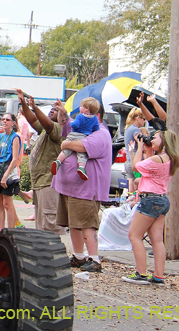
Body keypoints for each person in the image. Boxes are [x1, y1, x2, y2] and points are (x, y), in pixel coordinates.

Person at [51, 101, 111, 273]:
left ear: (96, 115)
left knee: (86, 224)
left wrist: (65, 145)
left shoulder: (101, 133)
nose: (83, 114)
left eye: (86, 111)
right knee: (73, 224)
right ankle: (78, 256)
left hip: (86, 189)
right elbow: (69, 128)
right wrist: (63, 113)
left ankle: (94, 259)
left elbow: (82, 146)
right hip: (69, 187)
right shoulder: (84, 129)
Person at [122, 129, 179, 285]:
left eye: (155, 138)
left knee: (134, 235)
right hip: (162, 200)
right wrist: (147, 150)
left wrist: (139, 146)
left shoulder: (158, 158)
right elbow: (145, 171)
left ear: (164, 141)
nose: (152, 139)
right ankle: (158, 276)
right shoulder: (167, 158)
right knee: (157, 240)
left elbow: (135, 167)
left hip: (150, 200)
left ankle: (141, 273)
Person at [18, 89, 69, 234]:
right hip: (40, 183)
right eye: (51, 109)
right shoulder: (46, 130)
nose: (52, 111)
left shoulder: (59, 130)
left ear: (63, 116)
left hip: (49, 183)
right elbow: (33, 120)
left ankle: (54, 253)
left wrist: (35, 107)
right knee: (41, 225)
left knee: (50, 225)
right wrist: (24, 103)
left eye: (56, 110)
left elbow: (46, 124)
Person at [52, 97, 100, 181]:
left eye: (81, 106)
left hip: (73, 135)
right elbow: (96, 128)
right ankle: (81, 167)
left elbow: (75, 125)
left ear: (86, 109)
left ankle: (58, 161)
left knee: (66, 150)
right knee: (82, 154)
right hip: (83, 137)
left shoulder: (80, 116)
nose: (79, 108)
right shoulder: (94, 119)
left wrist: (71, 123)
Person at [0, 113, 22, 231]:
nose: (4, 121)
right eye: (3, 119)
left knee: (7, 203)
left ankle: (11, 231)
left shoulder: (15, 138)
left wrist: (5, 176)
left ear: (13, 123)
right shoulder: (0, 136)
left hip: (8, 169)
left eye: (7, 120)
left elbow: (15, 159)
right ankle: (1, 230)